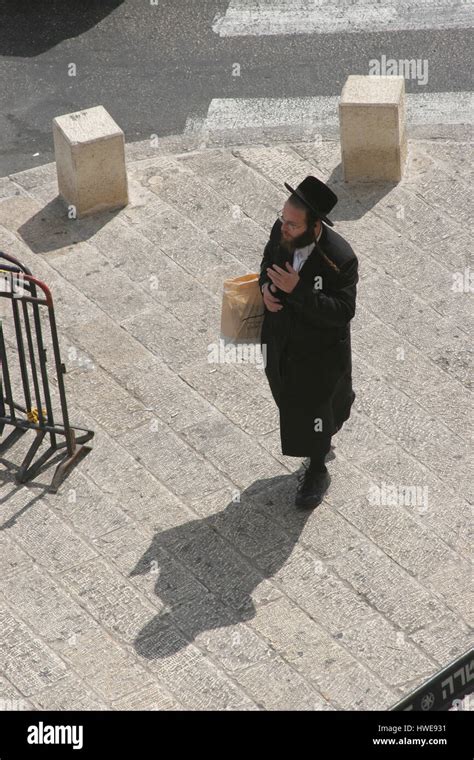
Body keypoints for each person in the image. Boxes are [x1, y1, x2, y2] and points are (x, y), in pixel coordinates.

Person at [258, 175, 358, 509]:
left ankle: (316, 469)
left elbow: (343, 311)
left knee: (314, 409)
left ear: (315, 227)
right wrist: (265, 290)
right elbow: (266, 262)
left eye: (293, 225)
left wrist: (298, 289)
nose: (284, 228)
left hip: (318, 353)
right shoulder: (282, 231)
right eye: (283, 220)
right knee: (285, 395)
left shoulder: (339, 258)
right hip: (280, 339)